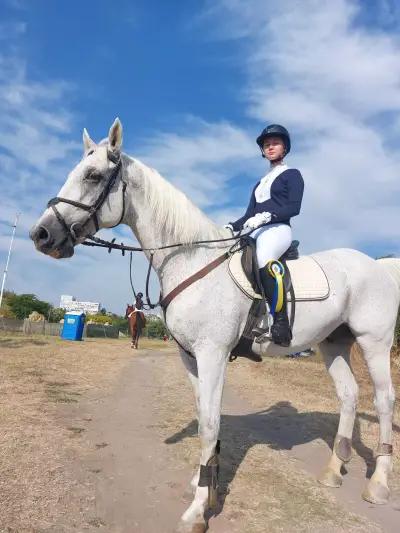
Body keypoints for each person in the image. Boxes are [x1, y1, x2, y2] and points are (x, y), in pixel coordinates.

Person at [225, 124, 304, 346]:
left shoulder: (292, 174)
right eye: (267, 145)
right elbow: (249, 215)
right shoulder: (259, 184)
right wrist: (232, 227)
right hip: (256, 228)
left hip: (278, 229)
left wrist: (268, 216)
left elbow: (293, 207)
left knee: (263, 257)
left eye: (275, 143)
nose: (270, 147)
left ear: (285, 148)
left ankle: (280, 323)